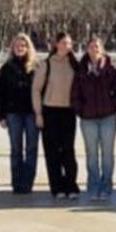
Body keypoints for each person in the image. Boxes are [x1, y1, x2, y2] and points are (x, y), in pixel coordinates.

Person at [72, 34, 116, 204]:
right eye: (91, 47)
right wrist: (80, 110)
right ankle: (93, 186)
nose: (94, 49)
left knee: (107, 155)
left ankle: (106, 186)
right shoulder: (81, 70)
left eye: (97, 46)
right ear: (87, 50)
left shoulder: (111, 70)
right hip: (88, 119)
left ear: (102, 49)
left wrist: (113, 106)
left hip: (107, 118)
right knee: (91, 155)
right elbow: (75, 94)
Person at [33, 31, 80, 198]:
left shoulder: (74, 64)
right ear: (56, 44)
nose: (67, 46)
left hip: (68, 112)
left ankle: (71, 185)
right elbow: (36, 90)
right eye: (64, 43)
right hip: (50, 111)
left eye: (69, 43)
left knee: (68, 151)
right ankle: (57, 186)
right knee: (52, 152)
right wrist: (38, 113)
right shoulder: (46, 64)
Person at [0, 33, 39, 194]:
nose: (20, 48)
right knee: (16, 148)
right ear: (12, 48)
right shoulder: (6, 68)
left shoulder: (36, 67)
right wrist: (1, 115)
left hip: (31, 112)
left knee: (31, 148)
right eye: (17, 46)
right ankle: (16, 182)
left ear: (28, 48)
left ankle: (27, 182)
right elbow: (1, 93)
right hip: (13, 113)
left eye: (23, 46)